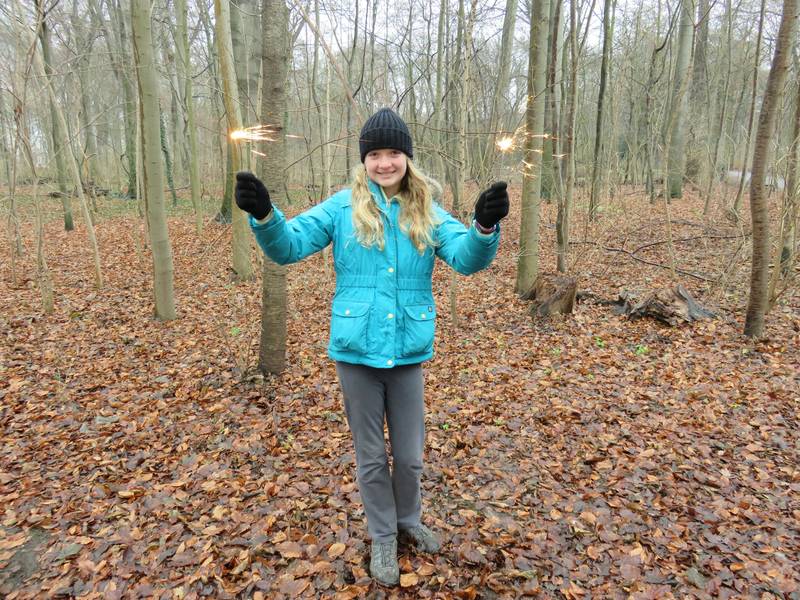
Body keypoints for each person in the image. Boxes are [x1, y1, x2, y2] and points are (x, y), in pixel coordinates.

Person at [235, 107, 509, 586]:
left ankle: (408, 521)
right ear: (364, 160)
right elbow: (290, 245)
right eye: (375, 154)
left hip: (407, 352)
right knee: (369, 455)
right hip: (356, 353)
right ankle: (383, 535)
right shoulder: (342, 207)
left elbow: (465, 259)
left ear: (407, 157)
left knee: (409, 455)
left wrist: (483, 229)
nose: (385, 163)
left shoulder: (425, 209)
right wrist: (264, 215)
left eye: (393, 153)